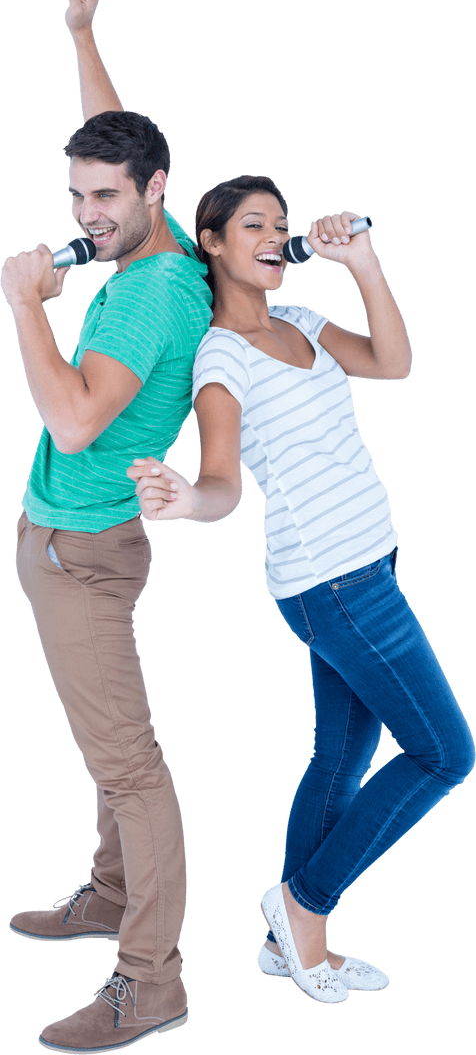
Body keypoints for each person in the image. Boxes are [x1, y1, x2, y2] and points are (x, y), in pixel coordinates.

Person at [128, 175, 475, 1006]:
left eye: (282, 225)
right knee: (445, 753)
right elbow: (221, 480)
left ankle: (291, 946)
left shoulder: (302, 324)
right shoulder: (220, 358)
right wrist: (187, 502)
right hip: (335, 583)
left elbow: (392, 363)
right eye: (254, 224)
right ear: (211, 242)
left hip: (368, 565)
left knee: (342, 756)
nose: (275, 236)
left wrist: (361, 261)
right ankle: (304, 904)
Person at [1, 0, 213, 1050]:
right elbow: (112, 135)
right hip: (65, 543)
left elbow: (77, 422)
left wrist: (28, 311)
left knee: (130, 765)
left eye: (105, 199)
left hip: (83, 551)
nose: (86, 216)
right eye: (78, 192)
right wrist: (84, 33)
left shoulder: (146, 295)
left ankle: (153, 980)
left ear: (154, 191)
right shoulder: (150, 236)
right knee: (104, 746)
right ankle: (105, 894)